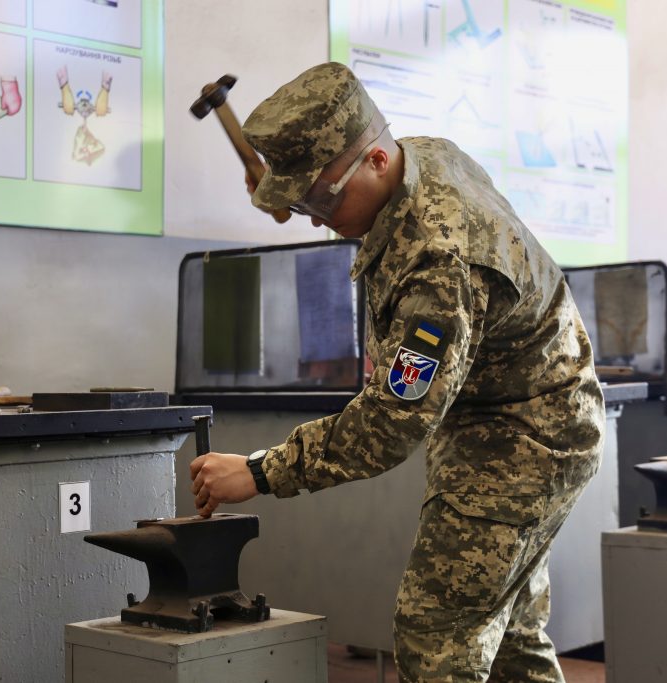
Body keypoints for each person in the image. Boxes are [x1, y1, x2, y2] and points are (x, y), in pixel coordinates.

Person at [189, 62, 605, 683]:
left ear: (377, 160)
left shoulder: (442, 260)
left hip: (526, 434)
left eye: (321, 198)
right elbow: (335, 193)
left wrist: (258, 472)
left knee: (437, 635)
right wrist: (302, 192)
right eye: (299, 202)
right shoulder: (420, 156)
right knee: (508, 637)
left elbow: (391, 421)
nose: (312, 216)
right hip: (500, 411)